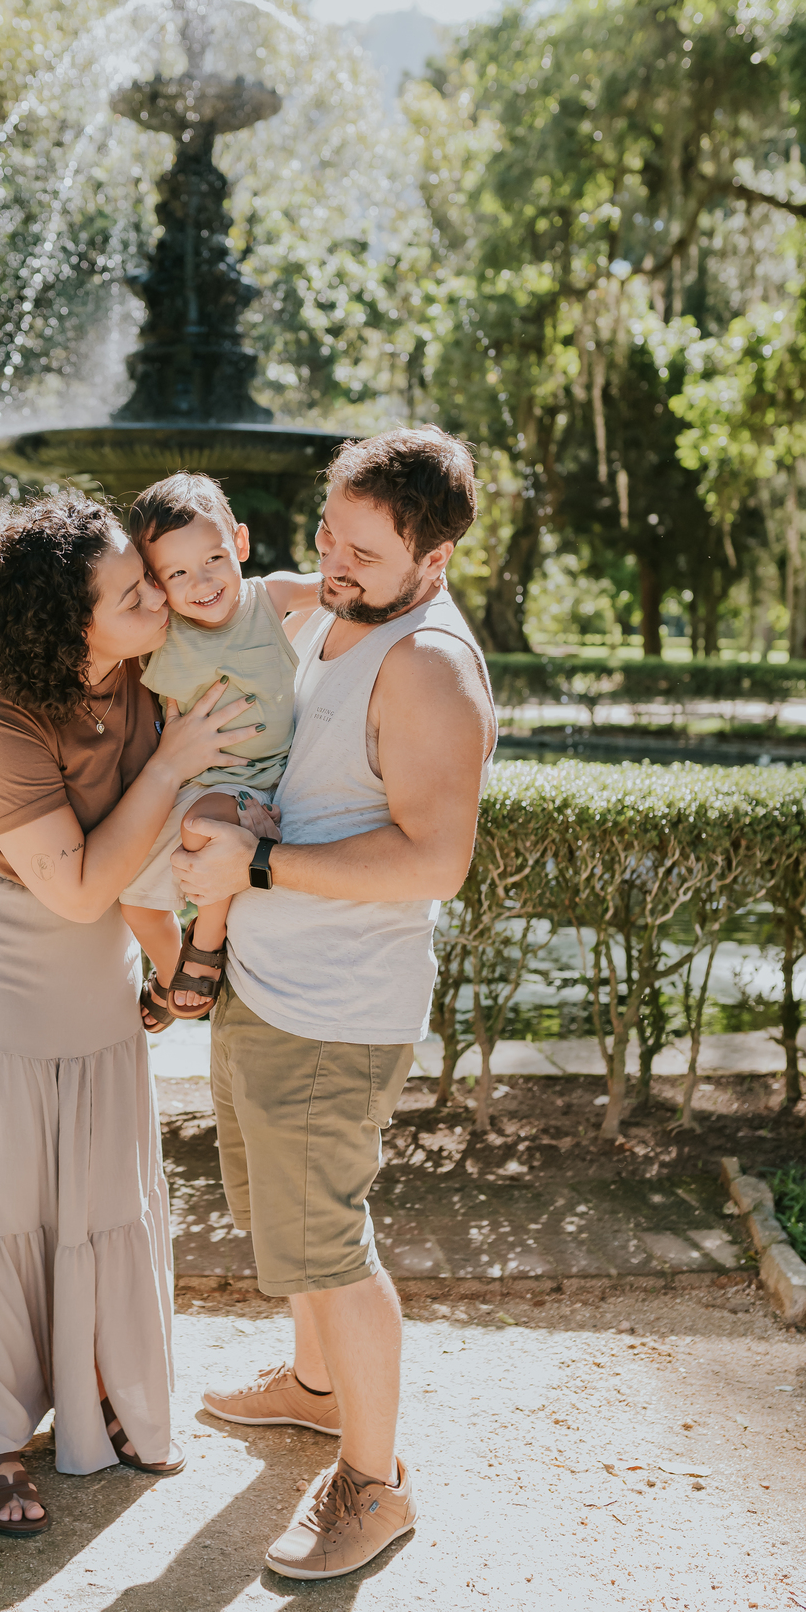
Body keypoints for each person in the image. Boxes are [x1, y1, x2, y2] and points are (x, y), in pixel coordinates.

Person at [0, 492, 257, 1536]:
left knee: (97, 1189)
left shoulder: (157, 670)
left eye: (148, 580)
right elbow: (71, 885)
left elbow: (147, 865)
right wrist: (171, 763)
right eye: (131, 592)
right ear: (70, 626)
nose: (159, 597)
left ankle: (101, 1384)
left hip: (94, 974)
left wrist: (169, 966)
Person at [171, 426, 497, 1582]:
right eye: (327, 533)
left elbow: (433, 861)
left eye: (362, 549)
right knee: (283, 1219)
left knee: (331, 1241)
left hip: (335, 1011)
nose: (336, 562)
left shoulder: (428, 667)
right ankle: (314, 1390)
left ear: (436, 560)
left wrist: (255, 868)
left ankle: (376, 1483)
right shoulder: (339, 617)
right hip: (271, 985)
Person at [117, 472, 322, 1026]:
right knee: (134, 900)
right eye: (176, 572)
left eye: (213, 559)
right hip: (183, 784)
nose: (201, 581)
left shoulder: (270, 597)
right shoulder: (158, 631)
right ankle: (168, 975)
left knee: (202, 827)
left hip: (251, 782)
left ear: (240, 542)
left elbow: (340, 585)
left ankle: (207, 944)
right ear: (154, 583)